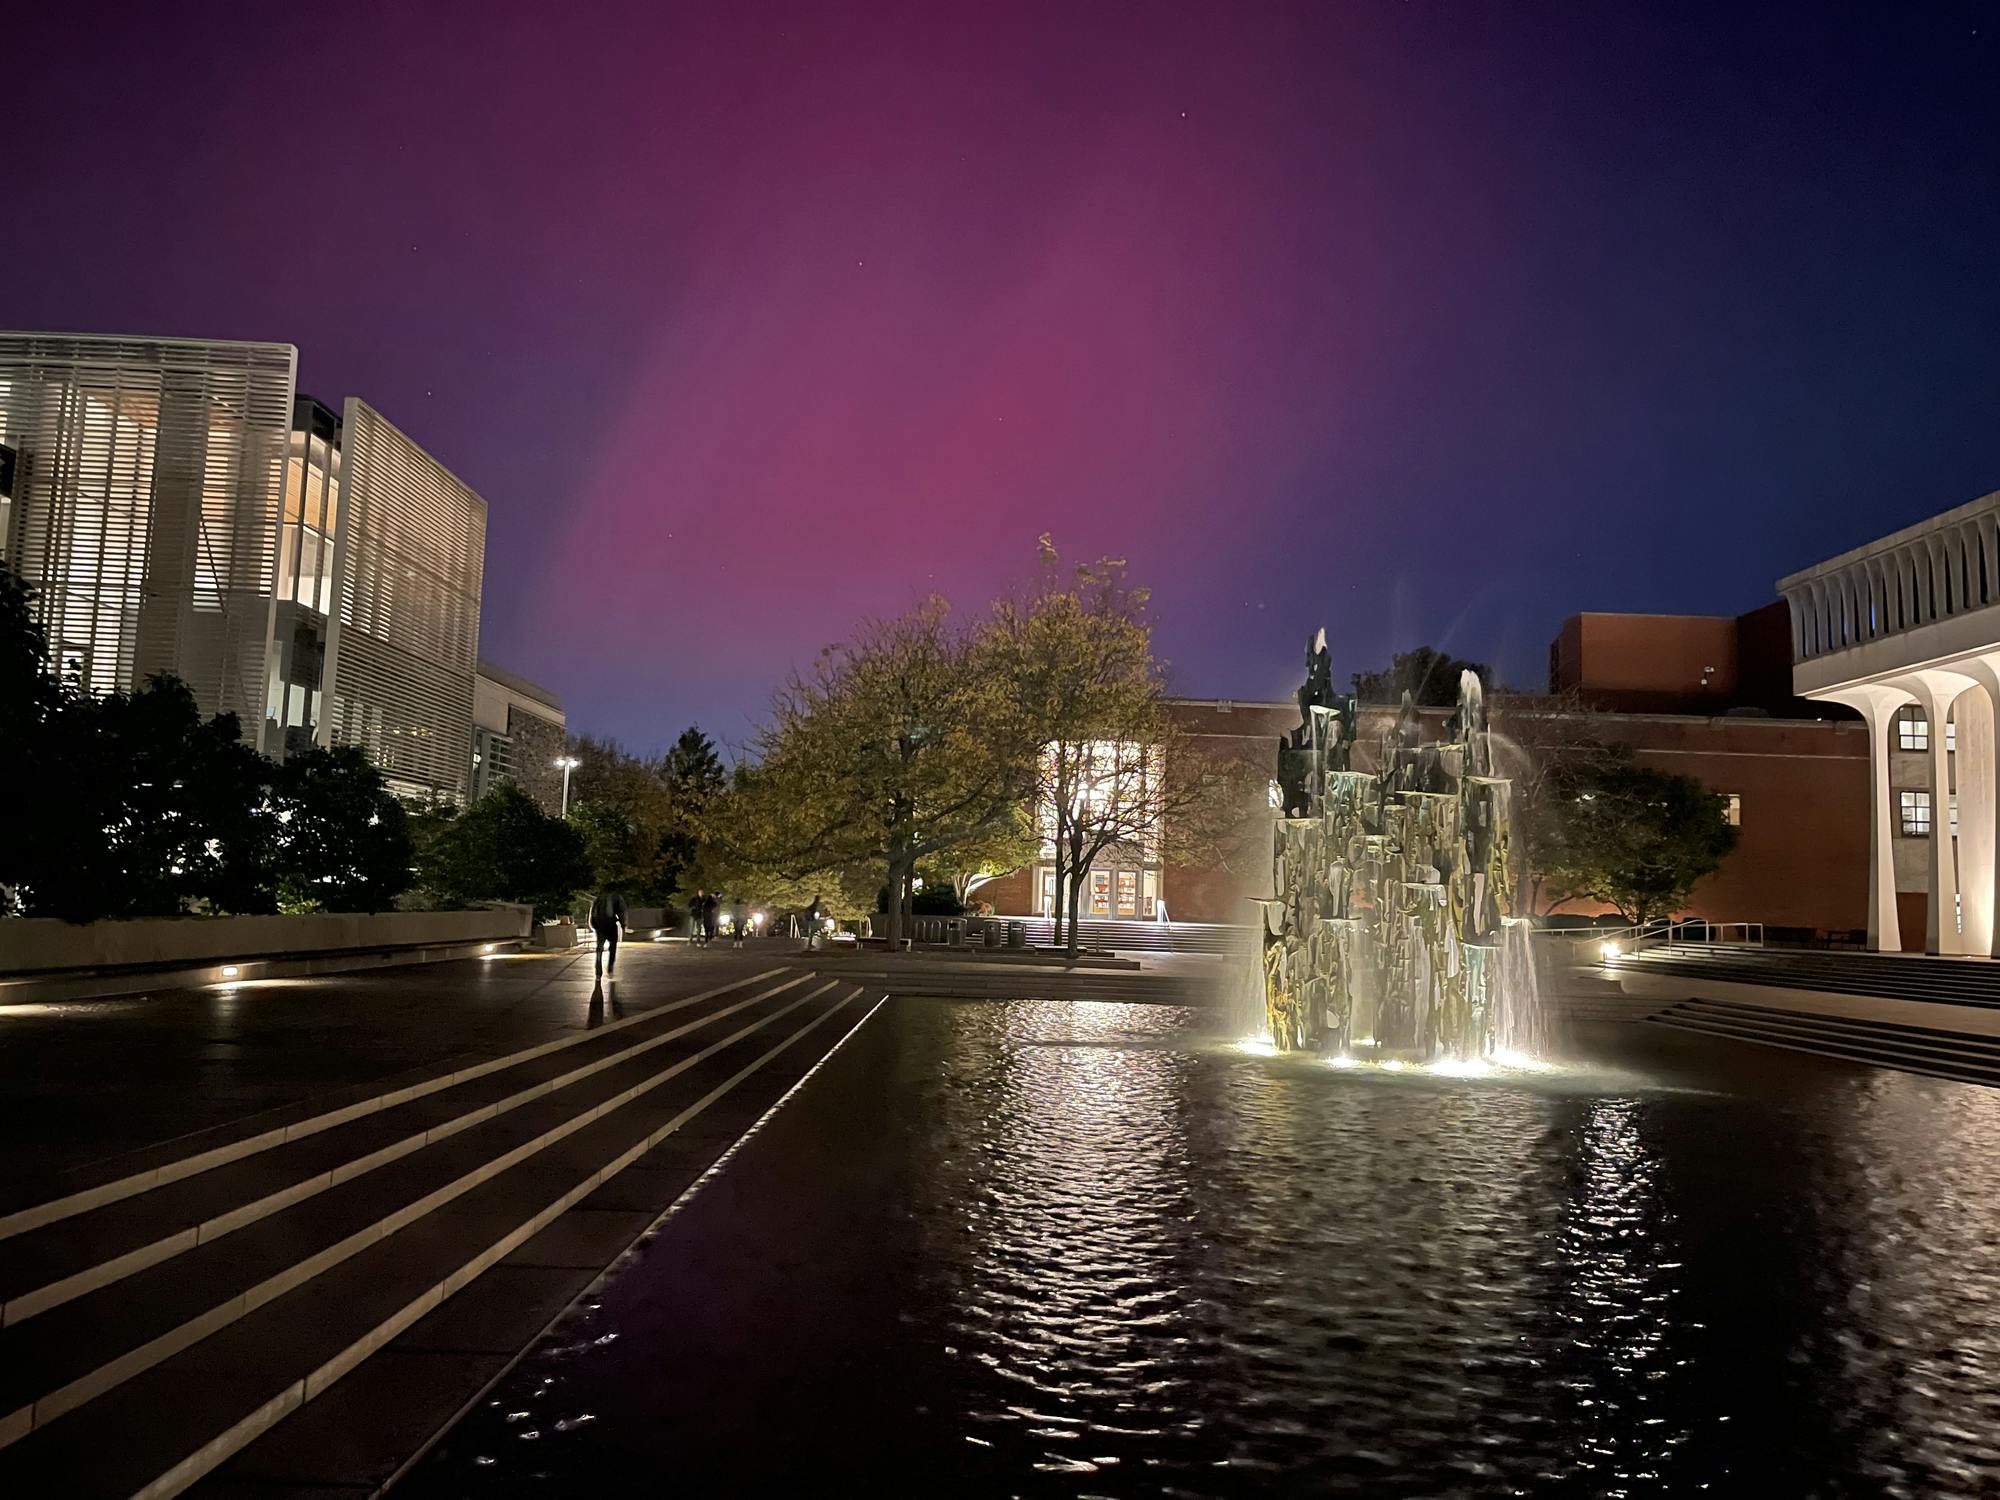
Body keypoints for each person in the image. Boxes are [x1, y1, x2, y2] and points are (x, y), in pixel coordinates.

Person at [589, 885, 628, 976]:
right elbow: (622, 911)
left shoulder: (598, 898)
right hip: (610, 924)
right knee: (613, 946)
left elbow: (593, 912)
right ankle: (610, 968)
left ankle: (598, 967)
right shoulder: (616, 897)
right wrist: (623, 925)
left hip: (600, 925)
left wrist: (594, 925)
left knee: (599, 947)